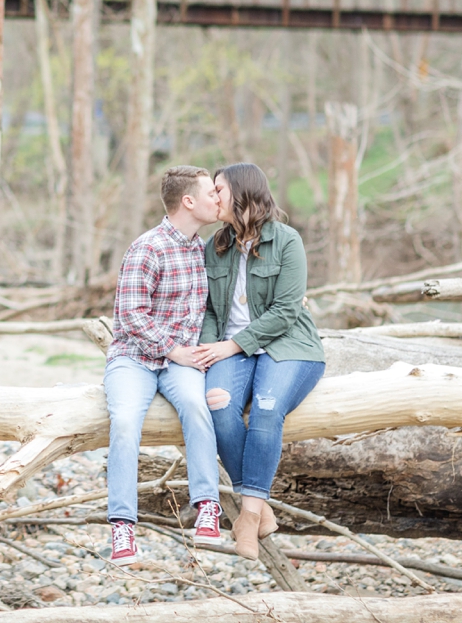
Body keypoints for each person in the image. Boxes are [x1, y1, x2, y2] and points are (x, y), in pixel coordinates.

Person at [199, 162, 326, 559]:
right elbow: (207, 312)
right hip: (230, 350)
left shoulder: (287, 241)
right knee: (218, 405)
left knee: (268, 409)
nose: (212, 197)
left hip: (286, 346)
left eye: (218, 190)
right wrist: (207, 351)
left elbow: (287, 310)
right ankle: (260, 506)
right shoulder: (214, 247)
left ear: (241, 193)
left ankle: (247, 519)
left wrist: (233, 345)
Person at [102, 166, 225, 566]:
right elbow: (130, 315)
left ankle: (207, 506)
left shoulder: (200, 248)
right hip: (135, 358)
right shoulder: (148, 248)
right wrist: (174, 351)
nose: (218, 200)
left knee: (196, 406)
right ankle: (122, 527)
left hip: (181, 362)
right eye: (212, 193)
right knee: (123, 421)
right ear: (188, 201)